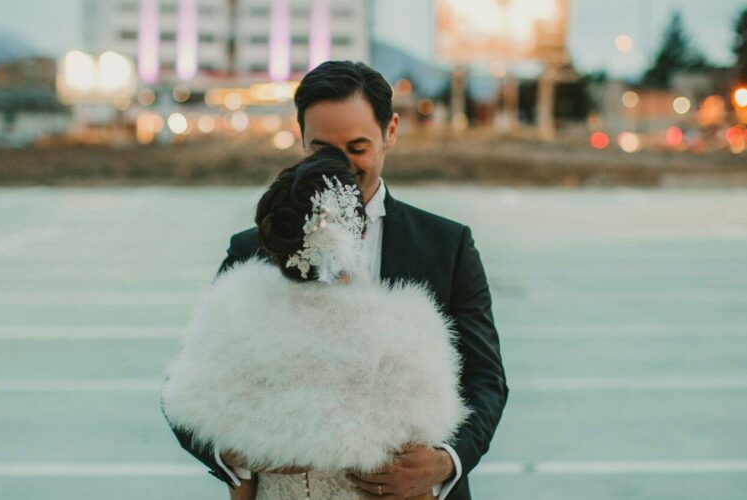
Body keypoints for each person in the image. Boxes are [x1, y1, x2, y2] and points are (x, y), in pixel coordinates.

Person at [166, 61, 508, 500]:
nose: (341, 167)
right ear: (300, 137)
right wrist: (234, 456)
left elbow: (485, 378)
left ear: (391, 131)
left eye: (358, 147)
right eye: (322, 149)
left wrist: (445, 463)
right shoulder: (253, 247)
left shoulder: (447, 245)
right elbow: (190, 382)